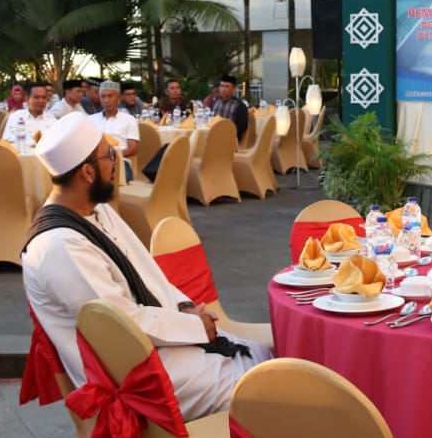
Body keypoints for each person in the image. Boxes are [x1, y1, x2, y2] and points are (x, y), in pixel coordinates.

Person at [21, 114, 271, 419]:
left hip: (155, 346)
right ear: (87, 172)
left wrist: (186, 310)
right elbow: (120, 327)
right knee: (265, 386)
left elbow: (149, 275)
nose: (115, 163)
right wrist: (193, 327)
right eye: (109, 155)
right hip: (135, 374)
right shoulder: (59, 246)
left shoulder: (96, 211)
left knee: (265, 358)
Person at [90, 81, 140, 180]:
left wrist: (113, 157)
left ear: (119, 98)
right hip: (95, 163)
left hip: (120, 162)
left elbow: (133, 149)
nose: (106, 100)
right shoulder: (90, 120)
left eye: (110, 96)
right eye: (103, 97)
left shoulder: (129, 119)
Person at [207, 76, 249, 141]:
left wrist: (226, 129)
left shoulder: (239, 105)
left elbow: (243, 126)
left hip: (230, 139)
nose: (223, 89)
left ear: (234, 89)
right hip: (213, 136)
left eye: (227, 86)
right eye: (221, 86)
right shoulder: (216, 102)